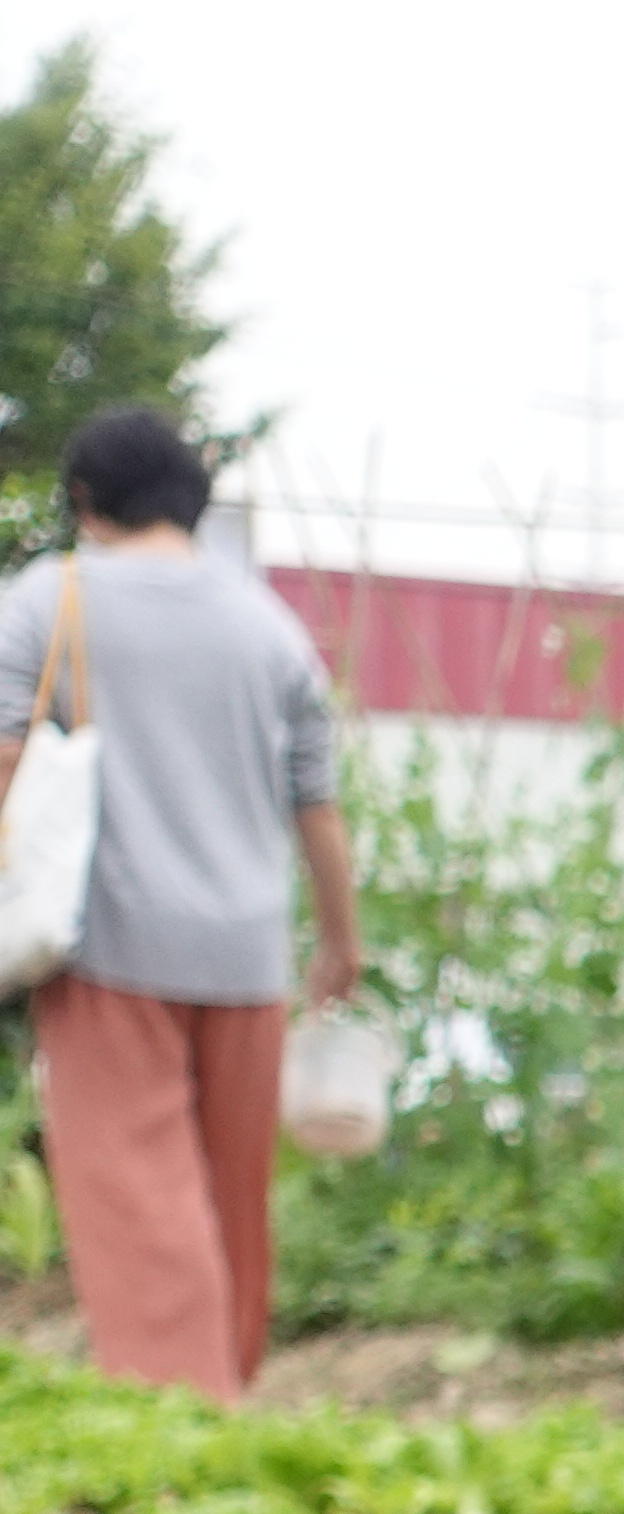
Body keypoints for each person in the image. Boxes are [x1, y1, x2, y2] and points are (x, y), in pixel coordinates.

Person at [0, 409, 360, 1401]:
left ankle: (183, 1414)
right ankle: (228, 1389)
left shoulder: (48, 598)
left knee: (137, 1191)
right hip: (249, 956)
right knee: (227, 1193)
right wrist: (339, 942)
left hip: (111, 939)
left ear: (84, 501)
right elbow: (317, 808)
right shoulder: (269, 627)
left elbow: (4, 752)